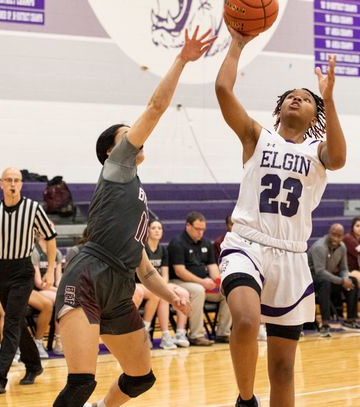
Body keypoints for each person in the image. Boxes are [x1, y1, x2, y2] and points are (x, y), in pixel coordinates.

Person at [52, 28, 213, 407]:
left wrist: (169, 293)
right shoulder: (116, 166)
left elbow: (145, 269)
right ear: (113, 150)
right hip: (89, 277)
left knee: (140, 378)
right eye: (128, 135)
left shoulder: (134, 192)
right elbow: (156, 109)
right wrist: (182, 60)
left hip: (120, 284)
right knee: (80, 382)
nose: (137, 138)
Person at [215, 23, 347, 406]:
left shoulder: (318, 153)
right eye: (290, 96)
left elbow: (339, 159)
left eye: (305, 99)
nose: (296, 99)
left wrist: (329, 97)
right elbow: (223, 90)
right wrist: (237, 44)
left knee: (285, 371)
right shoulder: (257, 137)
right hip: (247, 244)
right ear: (279, 109)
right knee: (244, 319)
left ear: (314, 117)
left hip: (291, 255)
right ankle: (245, 398)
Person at [0, 167, 57, 394]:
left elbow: (50, 237)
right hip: (1, 268)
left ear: (21, 184)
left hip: (22, 270)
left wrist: (50, 270)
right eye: (8, 180)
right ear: (0, 184)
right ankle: (33, 365)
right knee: (17, 321)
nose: (12, 183)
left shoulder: (33, 208)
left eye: (16, 180)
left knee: (10, 320)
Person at [168, 211, 232, 346]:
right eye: (197, 229)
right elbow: (180, 271)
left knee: (228, 291)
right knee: (197, 290)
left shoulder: (206, 243)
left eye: (203, 229)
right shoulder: (177, 243)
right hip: (180, 283)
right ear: (188, 226)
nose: (200, 232)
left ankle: (223, 332)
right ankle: (196, 335)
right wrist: (202, 282)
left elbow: (212, 266)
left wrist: (217, 280)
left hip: (202, 283)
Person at [308, 224, 360, 337]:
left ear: (342, 236)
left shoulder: (342, 247)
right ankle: (325, 324)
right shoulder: (320, 247)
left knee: (353, 280)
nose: (336, 238)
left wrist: (345, 279)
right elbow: (320, 272)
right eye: (333, 235)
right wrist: (341, 281)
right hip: (312, 280)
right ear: (329, 233)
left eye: (339, 236)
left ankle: (350, 320)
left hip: (329, 278)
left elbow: (344, 268)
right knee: (324, 283)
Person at [142, 219, 190, 350]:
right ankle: (165, 335)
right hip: (144, 284)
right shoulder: (143, 249)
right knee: (163, 295)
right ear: (147, 231)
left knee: (184, 293)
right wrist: (161, 288)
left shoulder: (163, 250)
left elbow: (165, 274)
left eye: (159, 228)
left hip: (159, 283)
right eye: (153, 228)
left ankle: (180, 333)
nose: (157, 230)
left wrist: (162, 285)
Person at [31, 228, 64, 355]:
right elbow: (38, 283)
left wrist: (59, 289)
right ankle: (56, 340)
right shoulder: (34, 251)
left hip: (52, 290)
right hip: (37, 291)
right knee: (61, 298)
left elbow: (59, 279)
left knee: (67, 299)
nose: (52, 229)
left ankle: (59, 341)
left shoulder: (57, 253)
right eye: (49, 226)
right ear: (40, 231)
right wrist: (59, 291)